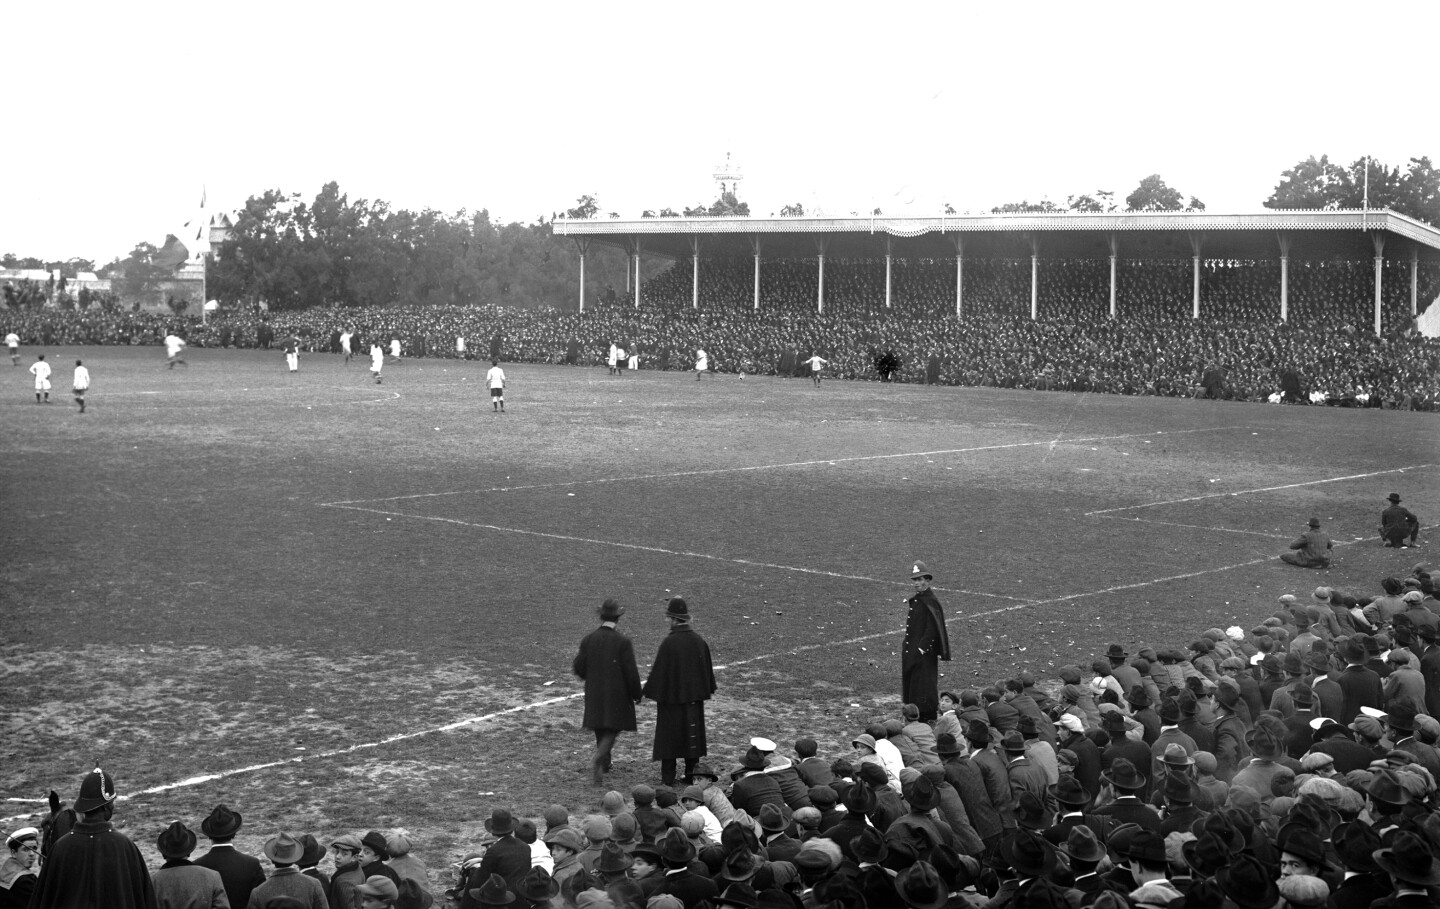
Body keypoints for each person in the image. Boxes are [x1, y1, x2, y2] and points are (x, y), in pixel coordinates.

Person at [27, 767, 157, 908]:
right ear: (108, 806)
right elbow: (145, 901)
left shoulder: (59, 849)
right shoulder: (126, 847)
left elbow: (41, 901)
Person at [642, 597, 717, 786]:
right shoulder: (699, 641)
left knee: (669, 740)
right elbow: (707, 674)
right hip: (693, 701)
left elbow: (659, 673)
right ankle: (692, 775)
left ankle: (668, 778)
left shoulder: (670, 643)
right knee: (691, 739)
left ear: (674, 619)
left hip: (671, 703)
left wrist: (646, 692)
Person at [573, 597, 643, 785]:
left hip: (594, 691)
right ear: (617, 619)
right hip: (617, 693)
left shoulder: (589, 639)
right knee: (613, 727)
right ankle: (600, 757)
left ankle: (605, 763)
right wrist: (637, 694)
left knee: (600, 726)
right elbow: (631, 672)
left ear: (601, 617)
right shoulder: (623, 642)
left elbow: (579, 667)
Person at [903, 561, 951, 723]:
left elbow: (932, 628)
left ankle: (927, 714)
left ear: (927, 580)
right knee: (914, 683)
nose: (917, 583)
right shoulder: (919, 599)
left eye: (920, 579)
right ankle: (915, 711)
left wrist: (921, 649)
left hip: (923, 654)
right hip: (913, 651)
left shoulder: (930, 600)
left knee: (923, 684)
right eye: (915, 580)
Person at [194, 803, 266, 909]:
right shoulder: (252, 864)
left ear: (209, 835)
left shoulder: (197, 866)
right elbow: (262, 900)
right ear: (235, 833)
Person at [0, 826, 40, 909]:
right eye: (26, 849)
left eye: (34, 848)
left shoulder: (8, 868)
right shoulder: (24, 880)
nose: (32, 854)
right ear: (14, 853)